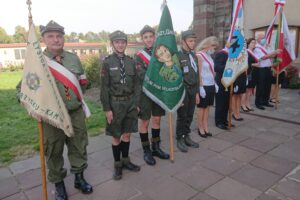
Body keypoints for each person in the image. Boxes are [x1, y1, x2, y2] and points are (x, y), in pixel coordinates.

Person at [20, 20, 93, 200]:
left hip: (75, 113)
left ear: (63, 39)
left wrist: (74, 101)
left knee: (79, 146)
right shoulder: (38, 62)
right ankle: (59, 185)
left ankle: (79, 178)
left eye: (59, 36)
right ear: (43, 39)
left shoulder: (73, 59)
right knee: (53, 151)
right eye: (50, 36)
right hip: (52, 117)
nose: (56, 40)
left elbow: (82, 83)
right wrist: (36, 106)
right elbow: (23, 89)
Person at [101, 30, 141, 180]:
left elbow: (137, 84)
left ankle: (126, 160)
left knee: (128, 133)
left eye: (123, 42)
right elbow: (104, 87)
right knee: (116, 135)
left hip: (130, 103)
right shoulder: (107, 62)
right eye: (117, 42)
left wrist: (136, 103)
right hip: (116, 104)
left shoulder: (131, 62)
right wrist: (107, 109)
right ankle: (117, 165)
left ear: (126, 44)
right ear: (112, 44)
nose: (120, 44)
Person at [135, 25, 169, 166]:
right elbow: (142, 75)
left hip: (158, 93)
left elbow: (167, 71)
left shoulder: (161, 53)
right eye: (145, 37)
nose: (148, 40)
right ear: (143, 39)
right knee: (145, 122)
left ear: (154, 37)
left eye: (150, 37)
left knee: (156, 120)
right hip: (145, 94)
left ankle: (156, 147)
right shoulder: (138, 56)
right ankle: (146, 150)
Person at [175, 30, 200, 152]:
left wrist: (197, 92)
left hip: (193, 90)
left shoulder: (193, 55)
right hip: (183, 91)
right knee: (182, 116)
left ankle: (186, 135)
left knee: (190, 115)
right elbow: (175, 78)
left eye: (194, 41)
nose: (193, 43)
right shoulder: (178, 56)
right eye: (190, 41)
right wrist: (178, 96)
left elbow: (197, 74)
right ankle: (180, 137)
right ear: (182, 41)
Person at [196, 36, 219, 137]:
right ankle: (200, 128)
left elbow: (211, 71)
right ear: (208, 45)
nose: (214, 50)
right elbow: (199, 73)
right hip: (203, 85)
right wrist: (200, 87)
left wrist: (215, 83)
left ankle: (205, 127)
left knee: (208, 107)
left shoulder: (209, 56)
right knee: (202, 108)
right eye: (213, 47)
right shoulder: (199, 55)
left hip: (211, 84)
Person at [254, 34, 281, 110]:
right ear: (258, 39)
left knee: (267, 86)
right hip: (261, 69)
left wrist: (274, 52)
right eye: (262, 38)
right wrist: (273, 53)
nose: (264, 39)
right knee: (261, 86)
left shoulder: (265, 47)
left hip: (268, 68)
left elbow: (271, 55)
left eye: (264, 38)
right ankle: (258, 103)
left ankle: (265, 101)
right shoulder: (256, 48)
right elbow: (263, 57)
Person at [214, 47, 234, 130]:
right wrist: (229, 66)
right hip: (221, 81)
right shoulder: (221, 53)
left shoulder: (233, 55)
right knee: (220, 103)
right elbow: (217, 67)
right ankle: (219, 121)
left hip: (229, 81)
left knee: (226, 102)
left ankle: (224, 120)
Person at [241, 38, 259, 112]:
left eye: (254, 43)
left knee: (250, 90)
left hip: (254, 73)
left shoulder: (254, 52)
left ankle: (248, 104)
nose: (253, 44)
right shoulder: (246, 52)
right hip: (248, 73)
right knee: (245, 90)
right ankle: (243, 105)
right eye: (252, 42)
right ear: (248, 43)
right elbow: (244, 63)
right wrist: (253, 64)